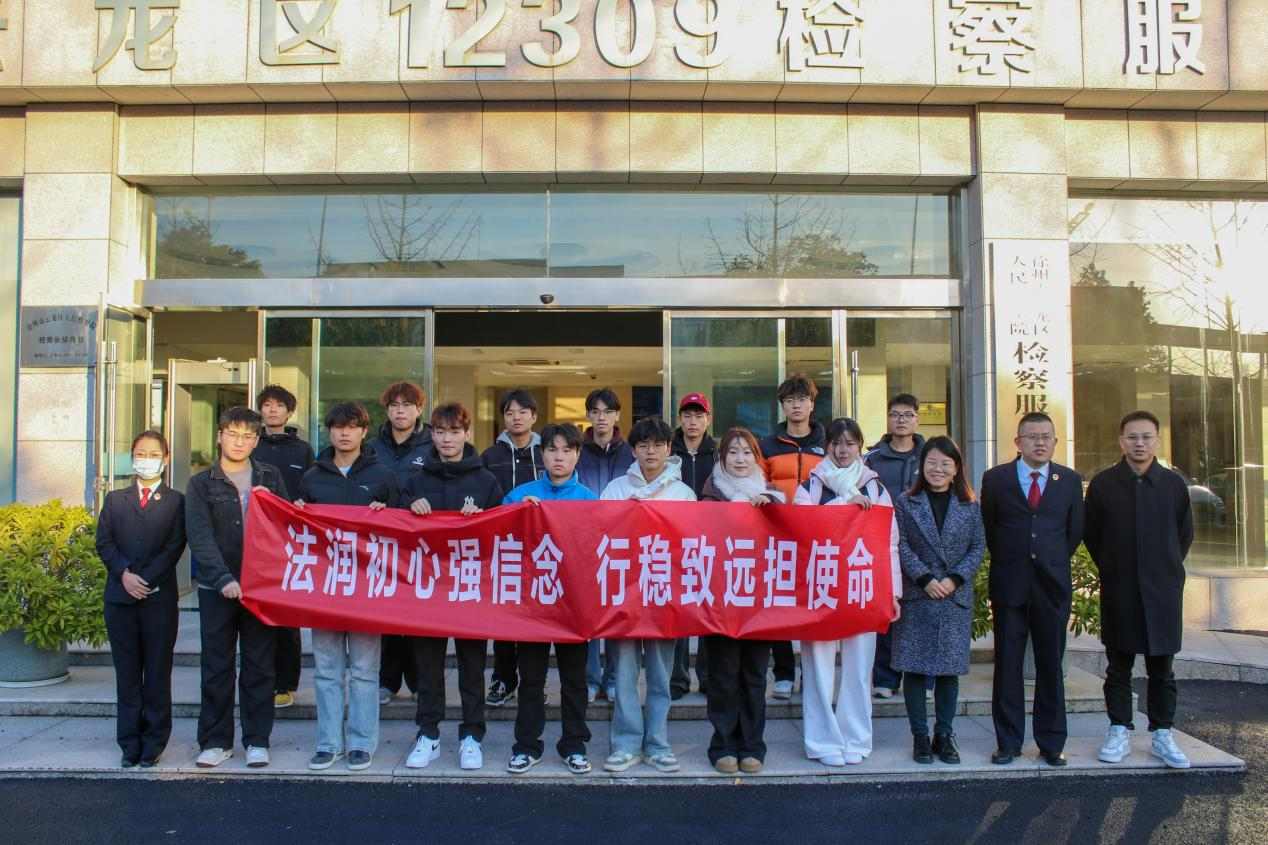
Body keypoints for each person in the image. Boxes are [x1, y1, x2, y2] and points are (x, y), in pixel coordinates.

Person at [1085, 410, 1195, 769]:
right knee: (1118, 667)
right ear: (1122, 441)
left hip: (1163, 590)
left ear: (1157, 441)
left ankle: (1163, 732)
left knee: (1162, 668)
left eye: (1146, 437)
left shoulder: (1174, 485)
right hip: (1121, 588)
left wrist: (1164, 568)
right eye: (1132, 437)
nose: (1139, 443)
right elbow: (1093, 535)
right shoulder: (1103, 484)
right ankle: (1119, 730)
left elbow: (1183, 534)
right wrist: (1114, 567)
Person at [294, 401, 399, 772]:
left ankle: (361, 743)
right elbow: (297, 530)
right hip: (324, 588)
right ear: (329, 432)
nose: (344, 433)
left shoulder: (383, 475)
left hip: (367, 588)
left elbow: (401, 531)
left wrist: (386, 514)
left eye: (352, 427)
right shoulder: (312, 477)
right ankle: (328, 743)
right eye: (338, 427)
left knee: (365, 671)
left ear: (363, 432)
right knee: (326, 670)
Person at [399, 401, 503, 771]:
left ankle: (472, 736)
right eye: (441, 432)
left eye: (454, 432)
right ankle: (428, 734)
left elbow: (501, 535)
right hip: (427, 589)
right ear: (432, 435)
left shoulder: (486, 481)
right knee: (428, 668)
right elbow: (396, 531)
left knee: (472, 668)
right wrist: (411, 508)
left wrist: (483, 519)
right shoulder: (416, 481)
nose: (447, 439)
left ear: (467, 434)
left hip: (470, 588)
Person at [793, 417, 901, 767]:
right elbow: (801, 531)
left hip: (862, 587)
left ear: (859, 447)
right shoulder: (810, 486)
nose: (843, 450)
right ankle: (821, 741)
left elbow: (890, 543)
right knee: (818, 670)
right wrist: (845, 506)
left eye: (850, 444)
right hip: (821, 588)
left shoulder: (875, 489)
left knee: (858, 669)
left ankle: (856, 738)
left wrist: (892, 592)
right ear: (827, 446)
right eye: (836, 443)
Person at [185, 406, 288, 769]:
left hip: (260, 589)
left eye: (247, 436)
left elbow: (284, 527)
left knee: (260, 666)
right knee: (217, 666)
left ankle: (257, 739)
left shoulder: (270, 476)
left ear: (256, 441)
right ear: (220, 437)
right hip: (217, 589)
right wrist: (223, 578)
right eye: (232, 434)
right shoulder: (201, 483)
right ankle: (215, 741)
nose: (239, 442)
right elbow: (199, 535)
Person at [980, 411, 1084, 767]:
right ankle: (1008, 742)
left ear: (1055, 441)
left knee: (1050, 666)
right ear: (1018, 442)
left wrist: (1049, 561)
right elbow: (990, 529)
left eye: (1046, 437)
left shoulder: (1069, 480)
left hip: (1051, 587)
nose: (1040, 443)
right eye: (1032, 437)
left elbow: (1073, 532)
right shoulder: (997, 479)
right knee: (1007, 665)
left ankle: (1051, 742)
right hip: (1010, 584)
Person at [600, 415, 695, 773]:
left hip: (663, 596)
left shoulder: (683, 494)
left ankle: (657, 743)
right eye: (643, 445)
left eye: (657, 444)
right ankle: (626, 744)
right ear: (633, 450)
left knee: (660, 675)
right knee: (624, 673)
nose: (650, 451)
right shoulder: (615, 489)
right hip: (624, 596)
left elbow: (691, 545)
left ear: (669, 449)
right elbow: (600, 536)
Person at [502, 422, 595, 775]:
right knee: (530, 679)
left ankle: (574, 745)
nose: (559, 457)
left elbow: (597, 550)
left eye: (567, 450)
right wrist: (517, 515)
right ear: (542, 454)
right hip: (532, 605)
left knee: (575, 681)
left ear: (577, 455)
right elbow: (499, 539)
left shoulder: (589, 500)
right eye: (552, 450)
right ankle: (527, 746)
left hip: (574, 605)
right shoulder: (519, 495)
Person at [890, 436, 986, 765]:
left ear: (957, 468)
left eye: (946, 463)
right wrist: (925, 579)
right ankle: (920, 735)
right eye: (931, 462)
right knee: (914, 669)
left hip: (953, 596)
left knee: (949, 671)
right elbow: (900, 544)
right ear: (922, 465)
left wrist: (954, 579)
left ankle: (944, 734)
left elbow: (978, 547)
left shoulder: (969, 504)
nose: (938, 469)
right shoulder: (906, 502)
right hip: (919, 594)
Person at [96, 430, 186, 769]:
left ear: (165, 458)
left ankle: (154, 742)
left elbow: (175, 545)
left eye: (153, 454)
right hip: (120, 599)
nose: (146, 459)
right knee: (128, 674)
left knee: (158, 672)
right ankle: (129, 743)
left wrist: (145, 580)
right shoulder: (115, 499)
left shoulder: (176, 501)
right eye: (140, 453)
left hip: (158, 599)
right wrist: (124, 574)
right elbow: (104, 542)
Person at [699, 427, 783, 774]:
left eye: (747, 452)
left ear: (757, 458)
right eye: (732, 452)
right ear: (721, 458)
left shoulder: (772, 494)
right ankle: (722, 744)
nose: (740, 459)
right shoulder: (709, 496)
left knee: (754, 674)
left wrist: (770, 508)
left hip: (759, 600)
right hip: (721, 599)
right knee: (724, 674)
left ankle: (752, 745)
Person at [761, 372, 826, 701]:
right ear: (782, 406)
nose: (796, 405)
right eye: (790, 400)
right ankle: (784, 674)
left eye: (802, 399)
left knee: (814, 602)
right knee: (780, 604)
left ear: (812, 404)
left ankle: (812, 673)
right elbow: (759, 484)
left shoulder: (828, 443)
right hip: (778, 535)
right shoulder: (767, 444)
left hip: (818, 537)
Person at [252, 383, 314, 711]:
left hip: (290, 542)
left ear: (290, 412)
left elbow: (311, 489)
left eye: (279, 406)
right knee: (257, 615)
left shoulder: (302, 450)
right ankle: (258, 679)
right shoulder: (250, 445)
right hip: (254, 540)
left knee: (288, 616)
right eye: (267, 405)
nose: (273, 410)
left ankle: (285, 683)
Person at [481, 388, 544, 709]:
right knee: (503, 618)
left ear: (534, 417)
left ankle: (534, 683)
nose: (516, 418)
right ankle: (503, 679)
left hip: (540, 548)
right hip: (502, 547)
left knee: (535, 618)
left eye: (522, 412)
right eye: (509, 413)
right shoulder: (490, 456)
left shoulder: (547, 452)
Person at [369, 381, 431, 706]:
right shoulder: (371, 447)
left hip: (422, 543)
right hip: (383, 542)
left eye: (407, 405)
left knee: (419, 614)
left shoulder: (433, 444)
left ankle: (421, 681)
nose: (400, 411)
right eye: (394, 405)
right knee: (387, 613)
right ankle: (387, 681)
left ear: (419, 409)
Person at [865, 393, 926, 700]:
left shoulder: (931, 456)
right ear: (888, 419)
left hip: (923, 547)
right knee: (887, 611)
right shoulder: (872, 459)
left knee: (921, 613)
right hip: (883, 545)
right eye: (895, 415)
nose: (901, 420)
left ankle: (924, 680)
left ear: (918, 419)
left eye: (907, 415)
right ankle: (885, 678)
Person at [577, 387, 635, 703]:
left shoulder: (631, 453)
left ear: (617, 415)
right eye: (596, 411)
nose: (602, 417)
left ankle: (612, 679)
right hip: (585, 543)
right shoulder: (577, 452)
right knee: (588, 615)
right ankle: (590, 678)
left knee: (615, 613)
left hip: (620, 544)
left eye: (608, 412)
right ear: (588, 415)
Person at [671, 392, 716, 700]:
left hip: (710, 541)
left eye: (699, 416)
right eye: (687, 416)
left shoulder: (719, 453)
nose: (693, 421)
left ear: (708, 419)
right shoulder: (668, 452)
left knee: (707, 609)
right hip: (675, 540)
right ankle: (677, 678)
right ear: (680, 419)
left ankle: (708, 677)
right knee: (678, 611)